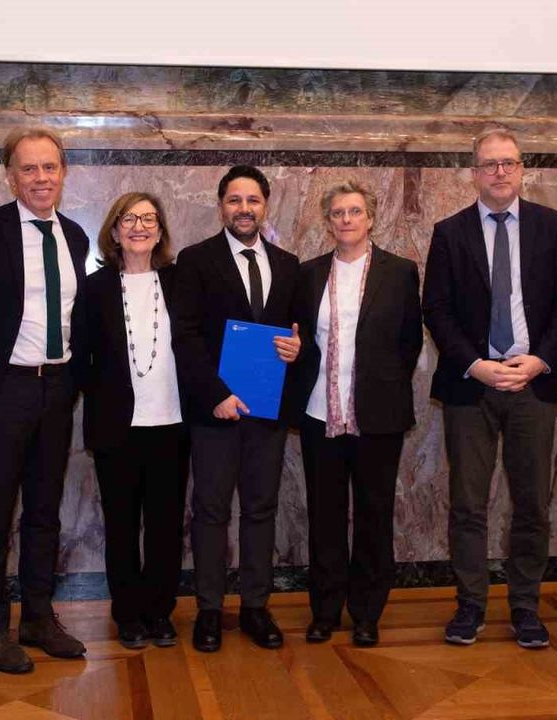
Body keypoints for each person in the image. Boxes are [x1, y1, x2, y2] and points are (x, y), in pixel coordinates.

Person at [422, 127, 557, 650]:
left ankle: (525, 607)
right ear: (474, 173)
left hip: (532, 384)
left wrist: (538, 361)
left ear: (521, 169)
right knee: (468, 504)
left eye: (508, 162)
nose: (499, 172)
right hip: (472, 386)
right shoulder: (450, 232)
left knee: (531, 504)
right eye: (489, 164)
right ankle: (470, 605)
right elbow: (436, 309)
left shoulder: (551, 226)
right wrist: (475, 365)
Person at [0, 126, 90, 673]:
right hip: (5, 389)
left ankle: (37, 615)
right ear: (10, 177)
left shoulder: (74, 236)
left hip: (57, 388)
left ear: (63, 173)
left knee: (44, 509)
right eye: (28, 168)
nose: (40, 177)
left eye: (49, 167)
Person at [284, 181, 422, 647]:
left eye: (355, 211)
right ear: (328, 221)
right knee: (324, 516)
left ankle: (366, 613)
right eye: (337, 212)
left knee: (373, 515)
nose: (346, 219)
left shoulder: (399, 272)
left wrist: (380, 387)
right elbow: (300, 340)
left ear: (371, 218)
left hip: (377, 417)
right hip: (319, 413)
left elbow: (409, 342)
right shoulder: (308, 274)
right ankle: (325, 611)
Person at [172, 165, 301, 652]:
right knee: (210, 511)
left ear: (265, 206)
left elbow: (299, 331)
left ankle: (255, 607)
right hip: (215, 412)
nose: (244, 209)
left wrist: (298, 347)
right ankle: (209, 610)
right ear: (221, 205)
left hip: (267, 412)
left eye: (252, 200)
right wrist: (216, 395)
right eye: (234, 200)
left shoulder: (288, 264)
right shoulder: (195, 260)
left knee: (261, 509)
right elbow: (185, 337)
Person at [81, 192, 189, 649]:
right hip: (117, 429)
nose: (139, 227)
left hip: (172, 424)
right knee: (121, 526)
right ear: (114, 230)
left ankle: (159, 612)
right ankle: (127, 614)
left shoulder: (181, 282)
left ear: (160, 231)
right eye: (129, 219)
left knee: (165, 526)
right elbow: (81, 358)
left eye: (148, 219)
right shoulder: (94, 288)